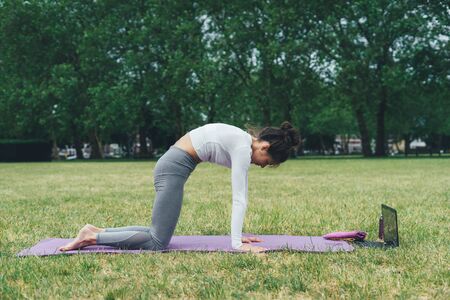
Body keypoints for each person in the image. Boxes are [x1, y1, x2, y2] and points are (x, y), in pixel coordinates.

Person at [59, 122, 299, 253]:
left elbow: (240, 194)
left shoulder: (242, 142)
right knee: (157, 242)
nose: (262, 166)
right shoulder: (242, 148)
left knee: (156, 231)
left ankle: (96, 230)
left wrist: (239, 237)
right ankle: (92, 238)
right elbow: (239, 198)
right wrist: (236, 244)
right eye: (266, 162)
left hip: (174, 165)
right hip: (173, 166)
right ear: (264, 147)